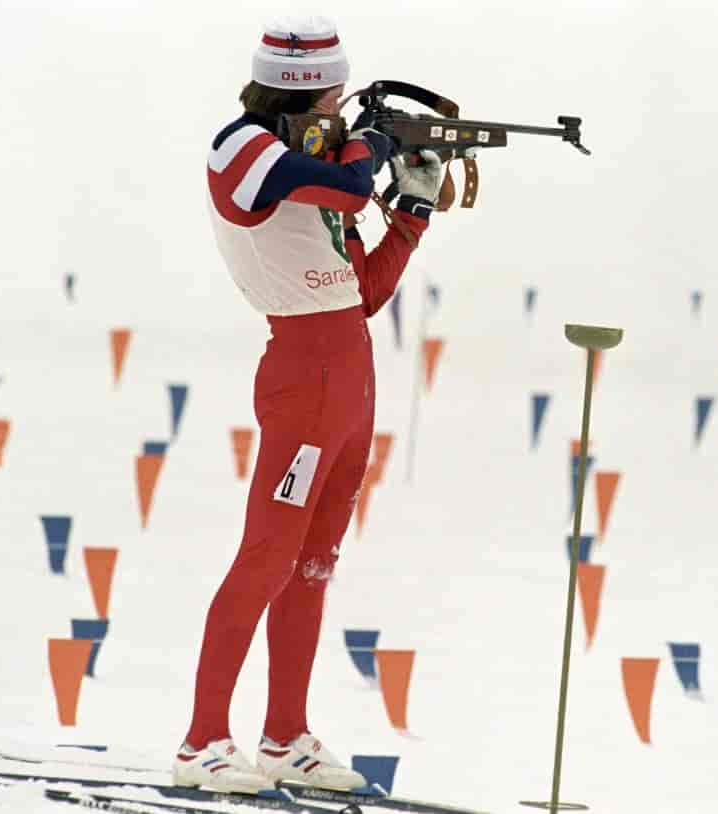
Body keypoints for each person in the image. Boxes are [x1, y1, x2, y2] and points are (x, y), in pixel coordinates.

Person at [174, 16, 443, 794]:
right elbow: (355, 177)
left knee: (312, 565)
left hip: (349, 380)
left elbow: (362, 297)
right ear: (300, 95)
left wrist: (414, 212)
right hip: (303, 379)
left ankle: (284, 734)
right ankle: (201, 741)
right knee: (266, 557)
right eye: (331, 104)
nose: (337, 119)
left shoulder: (312, 174)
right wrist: (377, 146)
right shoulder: (245, 147)